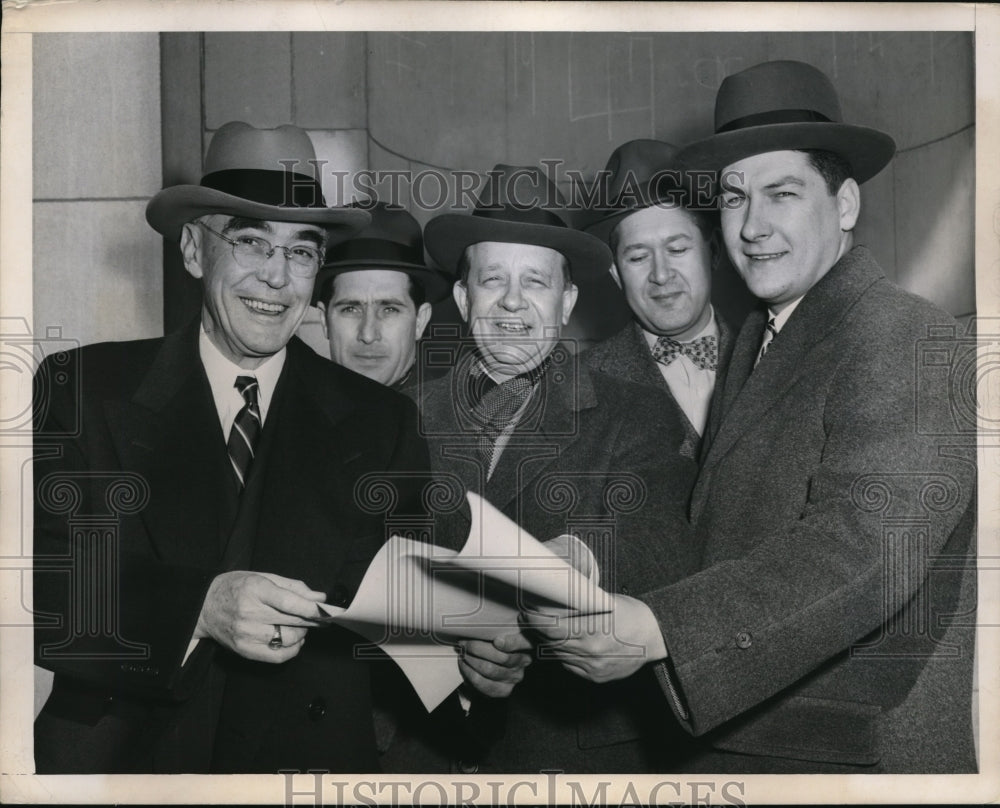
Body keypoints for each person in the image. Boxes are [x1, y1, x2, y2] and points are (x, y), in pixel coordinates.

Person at [523, 60, 978, 774]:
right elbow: (704, 523)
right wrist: (587, 555)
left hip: (849, 758)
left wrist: (659, 627)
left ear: (848, 204)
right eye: (734, 199)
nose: (753, 226)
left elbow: (864, 548)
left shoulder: (907, 335)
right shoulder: (768, 340)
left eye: (782, 194)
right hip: (761, 742)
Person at [32, 122, 437, 773]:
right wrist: (199, 609)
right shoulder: (86, 390)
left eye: (301, 252)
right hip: (129, 769)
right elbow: (46, 586)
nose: (276, 278)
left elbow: (411, 620)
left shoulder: (381, 421)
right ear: (194, 251)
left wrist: (474, 659)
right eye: (250, 242)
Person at [399, 164, 699, 773]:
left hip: (569, 759)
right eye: (492, 280)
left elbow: (661, 556)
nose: (512, 301)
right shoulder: (400, 413)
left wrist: (574, 561)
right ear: (463, 298)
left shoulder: (636, 413)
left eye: (535, 282)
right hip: (422, 753)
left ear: (566, 303)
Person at [584, 139, 734, 459]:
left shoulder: (772, 358)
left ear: (715, 252)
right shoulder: (577, 385)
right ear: (615, 273)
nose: (661, 275)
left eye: (677, 250)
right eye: (638, 257)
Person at [313, 201, 450, 389]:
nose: (368, 335)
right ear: (324, 320)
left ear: (420, 321)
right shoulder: (290, 411)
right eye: (351, 309)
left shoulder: (453, 415)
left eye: (390, 309)